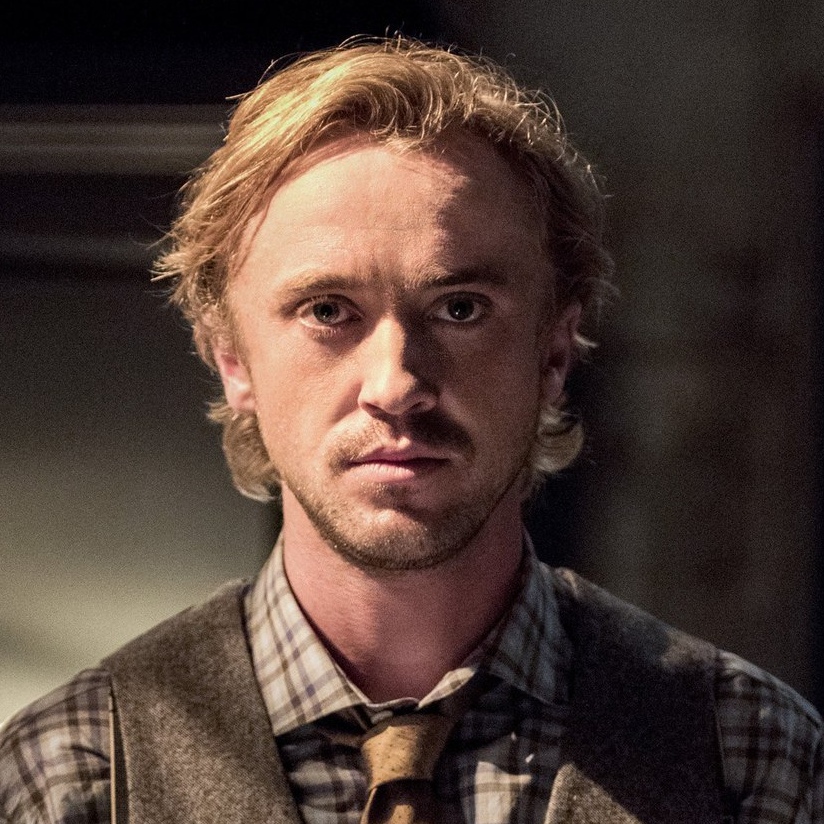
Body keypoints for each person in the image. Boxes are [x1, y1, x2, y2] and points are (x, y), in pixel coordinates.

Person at [1, 36, 821, 824]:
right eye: (328, 311)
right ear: (233, 361)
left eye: (460, 308)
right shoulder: (70, 775)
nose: (396, 385)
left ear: (554, 353)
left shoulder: (749, 756)